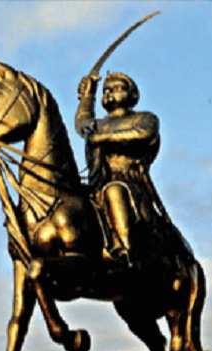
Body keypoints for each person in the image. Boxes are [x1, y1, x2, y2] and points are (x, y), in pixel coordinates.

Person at [74, 71, 170, 269]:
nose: (109, 93)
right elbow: (83, 123)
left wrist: (103, 138)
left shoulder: (145, 118)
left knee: (113, 190)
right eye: (106, 90)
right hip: (98, 183)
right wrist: (87, 96)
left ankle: (123, 249)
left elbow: (143, 133)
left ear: (132, 94)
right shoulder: (98, 124)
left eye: (116, 88)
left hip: (131, 184)